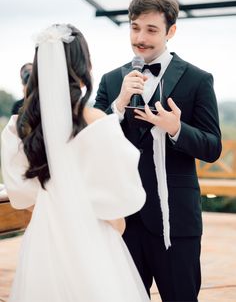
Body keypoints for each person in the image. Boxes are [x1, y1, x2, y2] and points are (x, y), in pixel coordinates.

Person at [1, 24, 150, 302]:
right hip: (91, 231)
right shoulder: (95, 122)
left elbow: (21, 193)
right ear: (83, 69)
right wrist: (114, 226)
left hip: (44, 234)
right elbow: (119, 194)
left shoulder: (20, 127)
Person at [94, 0, 222, 302]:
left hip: (175, 222)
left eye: (151, 30)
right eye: (135, 27)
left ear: (171, 32)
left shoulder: (197, 79)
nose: (141, 37)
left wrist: (176, 128)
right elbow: (92, 142)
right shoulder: (111, 81)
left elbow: (212, 147)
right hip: (122, 219)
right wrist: (119, 105)